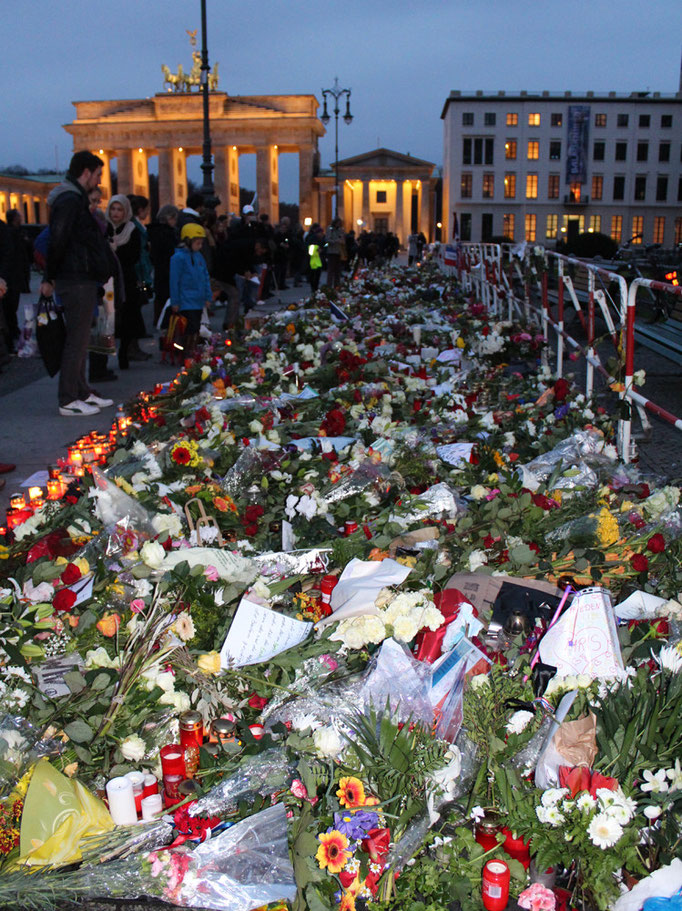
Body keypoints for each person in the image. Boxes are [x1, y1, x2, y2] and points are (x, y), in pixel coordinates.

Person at [40, 150, 114, 417]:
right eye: (97, 175)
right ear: (86, 172)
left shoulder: (74, 199)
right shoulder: (70, 200)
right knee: (77, 340)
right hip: (75, 277)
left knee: (81, 339)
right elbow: (57, 239)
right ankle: (68, 397)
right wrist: (49, 277)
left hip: (79, 275)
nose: (98, 181)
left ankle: (81, 391)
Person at [105, 194, 149, 369]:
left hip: (127, 280)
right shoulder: (103, 228)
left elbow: (133, 257)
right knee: (107, 319)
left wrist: (115, 251)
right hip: (107, 280)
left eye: (119, 209)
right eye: (113, 209)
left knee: (127, 318)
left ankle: (124, 353)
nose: (116, 213)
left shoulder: (132, 230)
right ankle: (103, 361)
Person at [169, 223, 212, 357]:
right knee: (189, 328)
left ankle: (191, 351)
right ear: (188, 241)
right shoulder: (178, 258)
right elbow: (174, 281)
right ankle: (186, 353)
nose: (200, 246)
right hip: (186, 300)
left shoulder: (198, 256)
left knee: (195, 328)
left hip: (198, 300)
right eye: (198, 243)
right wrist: (175, 301)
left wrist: (207, 296)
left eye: (201, 243)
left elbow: (205, 276)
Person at [148, 204, 178, 323]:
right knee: (165, 297)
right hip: (166, 269)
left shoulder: (155, 231)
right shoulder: (166, 234)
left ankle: (160, 321)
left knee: (161, 297)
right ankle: (163, 322)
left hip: (160, 270)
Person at [324, 218, 345, 288]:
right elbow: (327, 239)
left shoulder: (340, 230)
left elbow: (342, 239)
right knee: (331, 270)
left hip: (338, 252)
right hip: (332, 252)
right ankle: (329, 285)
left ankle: (337, 285)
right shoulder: (330, 229)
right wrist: (336, 241)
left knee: (337, 271)